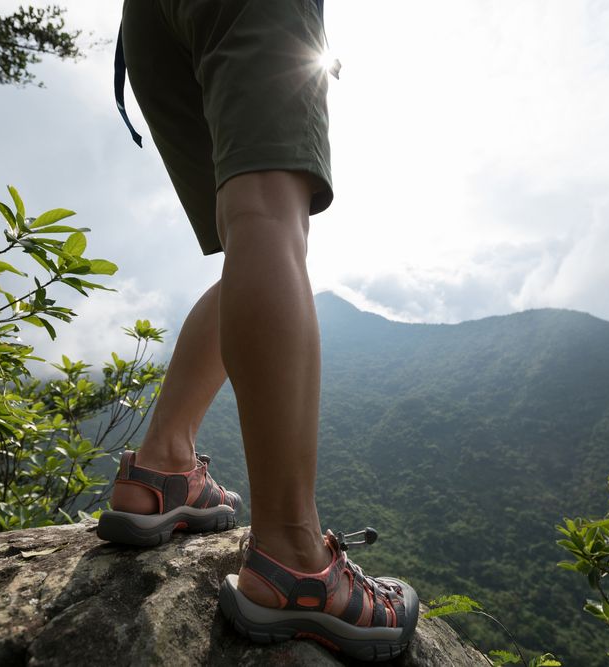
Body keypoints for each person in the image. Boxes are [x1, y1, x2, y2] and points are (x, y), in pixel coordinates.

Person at [96, 0, 418, 660]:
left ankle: (161, 468)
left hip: (145, 22)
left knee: (251, 233)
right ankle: (293, 555)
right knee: (270, 218)